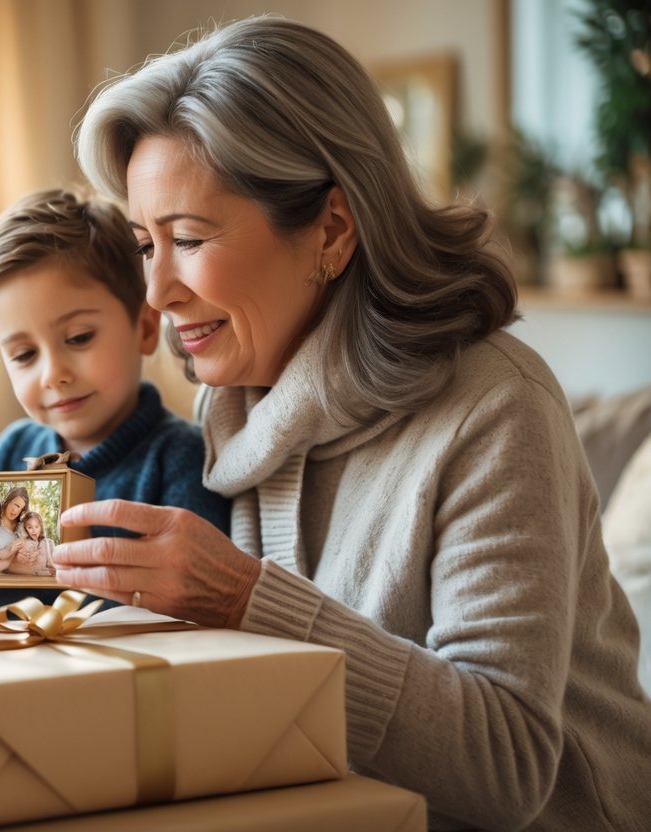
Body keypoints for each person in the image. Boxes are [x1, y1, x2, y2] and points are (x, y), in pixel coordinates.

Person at [37, 16, 651, 831]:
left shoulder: (495, 407)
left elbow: (506, 769)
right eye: (146, 245)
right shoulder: (239, 405)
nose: (157, 293)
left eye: (187, 238)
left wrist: (248, 600)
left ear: (330, 229)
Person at [0, 187, 232, 626]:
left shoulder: (183, 462)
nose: (52, 374)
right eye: (24, 355)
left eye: (78, 338)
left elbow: (200, 622)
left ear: (146, 328)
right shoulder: (11, 452)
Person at [0, 486, 29, 563]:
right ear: (8, 500)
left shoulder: (22, 527)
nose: (16, 510)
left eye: (20, 508)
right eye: (16, 505)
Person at [13, 511, 55, 577]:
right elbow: (30, 569)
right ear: (25, 529)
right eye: (30, 527)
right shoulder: (24, 544)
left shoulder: (48, 543)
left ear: (41, 527)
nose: (34, 531)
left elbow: (53, 566)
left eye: (36, 527)